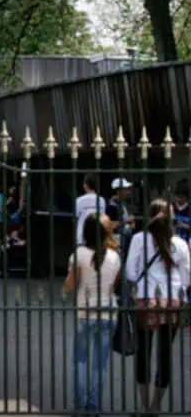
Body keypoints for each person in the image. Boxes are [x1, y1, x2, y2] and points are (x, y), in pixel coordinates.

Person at [125, 199, 191, 415]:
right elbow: (186, 278)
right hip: (171, 301)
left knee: (143, 351)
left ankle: (144, 406)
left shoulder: (139, 239)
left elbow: (131, 272)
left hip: (146, 298)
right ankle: (155, 406)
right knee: (165, 353)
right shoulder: (180, 243)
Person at [64, 214, 121, 413]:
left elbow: (70, 285)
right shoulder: (114, 256)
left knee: (80, 360)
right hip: (108, 313)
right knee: (100, 363)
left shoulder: (79, 254)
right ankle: (94, 404)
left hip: (85, 312)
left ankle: (80, 405)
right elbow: (114, 285)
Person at [74, 174, 107, 246]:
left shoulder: (79, 200)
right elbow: (103, 219)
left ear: (85, 185)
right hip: (98, 238)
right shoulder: (102, 200)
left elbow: (75, 219)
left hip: (82, 237)